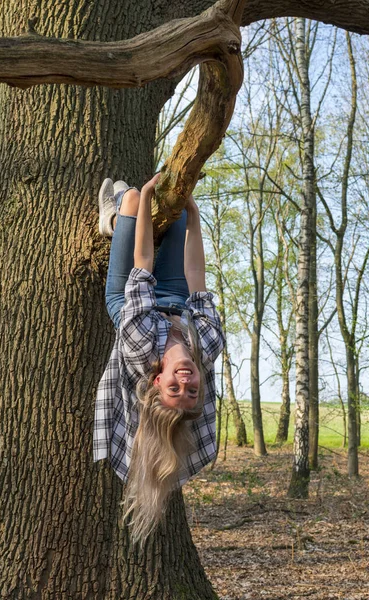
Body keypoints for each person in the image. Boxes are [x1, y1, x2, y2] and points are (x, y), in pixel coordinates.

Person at [93, 174, 225, 544]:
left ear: (157, 381)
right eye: (191, 391)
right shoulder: (209, 344)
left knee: (135, 198)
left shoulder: (139, 343)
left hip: (128, 297)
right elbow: (197, 274)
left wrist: (149, 195)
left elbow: (144, 260)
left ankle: (116, 218)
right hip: (177, 295)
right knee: (179, 211)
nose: (185, 380)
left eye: (174, 389)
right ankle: (130, 218)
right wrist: (195, 215)